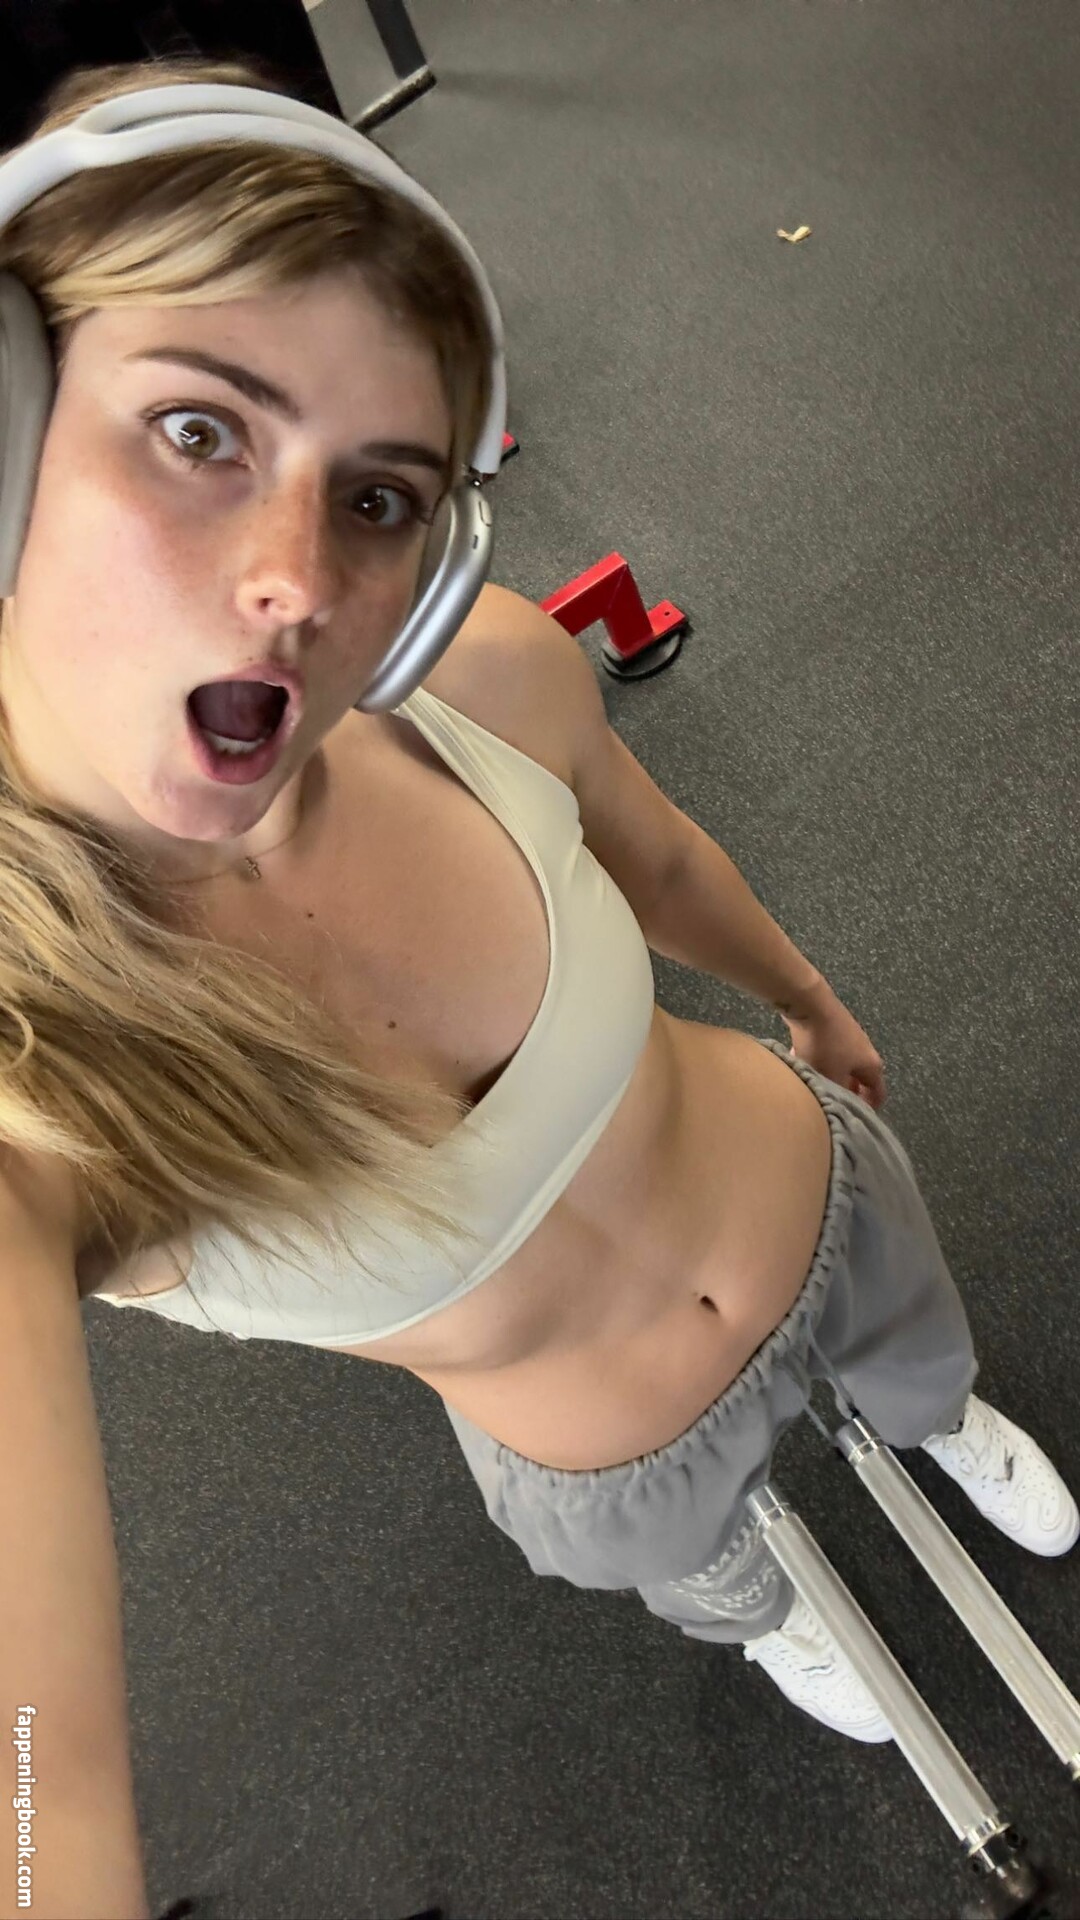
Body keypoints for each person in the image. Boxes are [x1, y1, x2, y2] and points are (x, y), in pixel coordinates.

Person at [0, 49, 1075, 1920]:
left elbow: (660, 861)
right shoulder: (37, 1089)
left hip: (824, 1205)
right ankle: (763, 1614)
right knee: (715, 1576)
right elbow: (37, 1781)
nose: (297, 584)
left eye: (377, 499)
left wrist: (809, 999)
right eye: (198, 430)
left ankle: (938, 1420)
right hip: (607, 1460)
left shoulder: (476, 680)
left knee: (927, 1366)